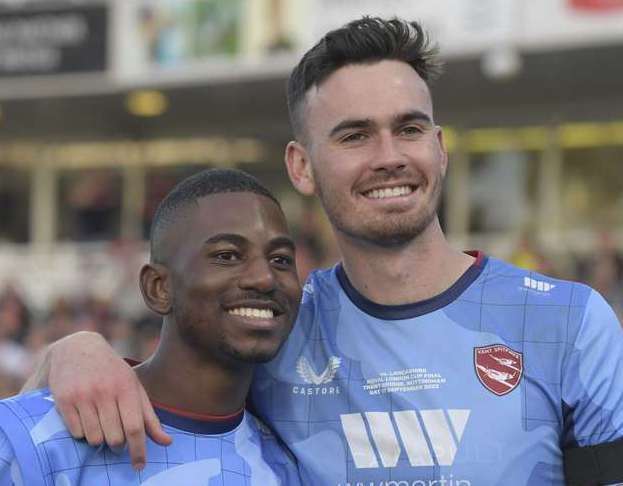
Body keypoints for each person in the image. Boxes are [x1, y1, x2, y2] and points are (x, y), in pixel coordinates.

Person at [25, 17, 623, 485]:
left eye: (410, 128)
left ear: (440, 149)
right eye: (355, 135)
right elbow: (154, 393)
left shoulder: (567, 323)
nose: (389, 155)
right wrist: (74, 350)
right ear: (302, 166)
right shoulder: (274, 325)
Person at [0, 169, 302, 485]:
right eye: (227, 255)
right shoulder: (34, 437)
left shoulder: (291, 460)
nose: (264, 278)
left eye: (281, 259)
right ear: (158, 288)